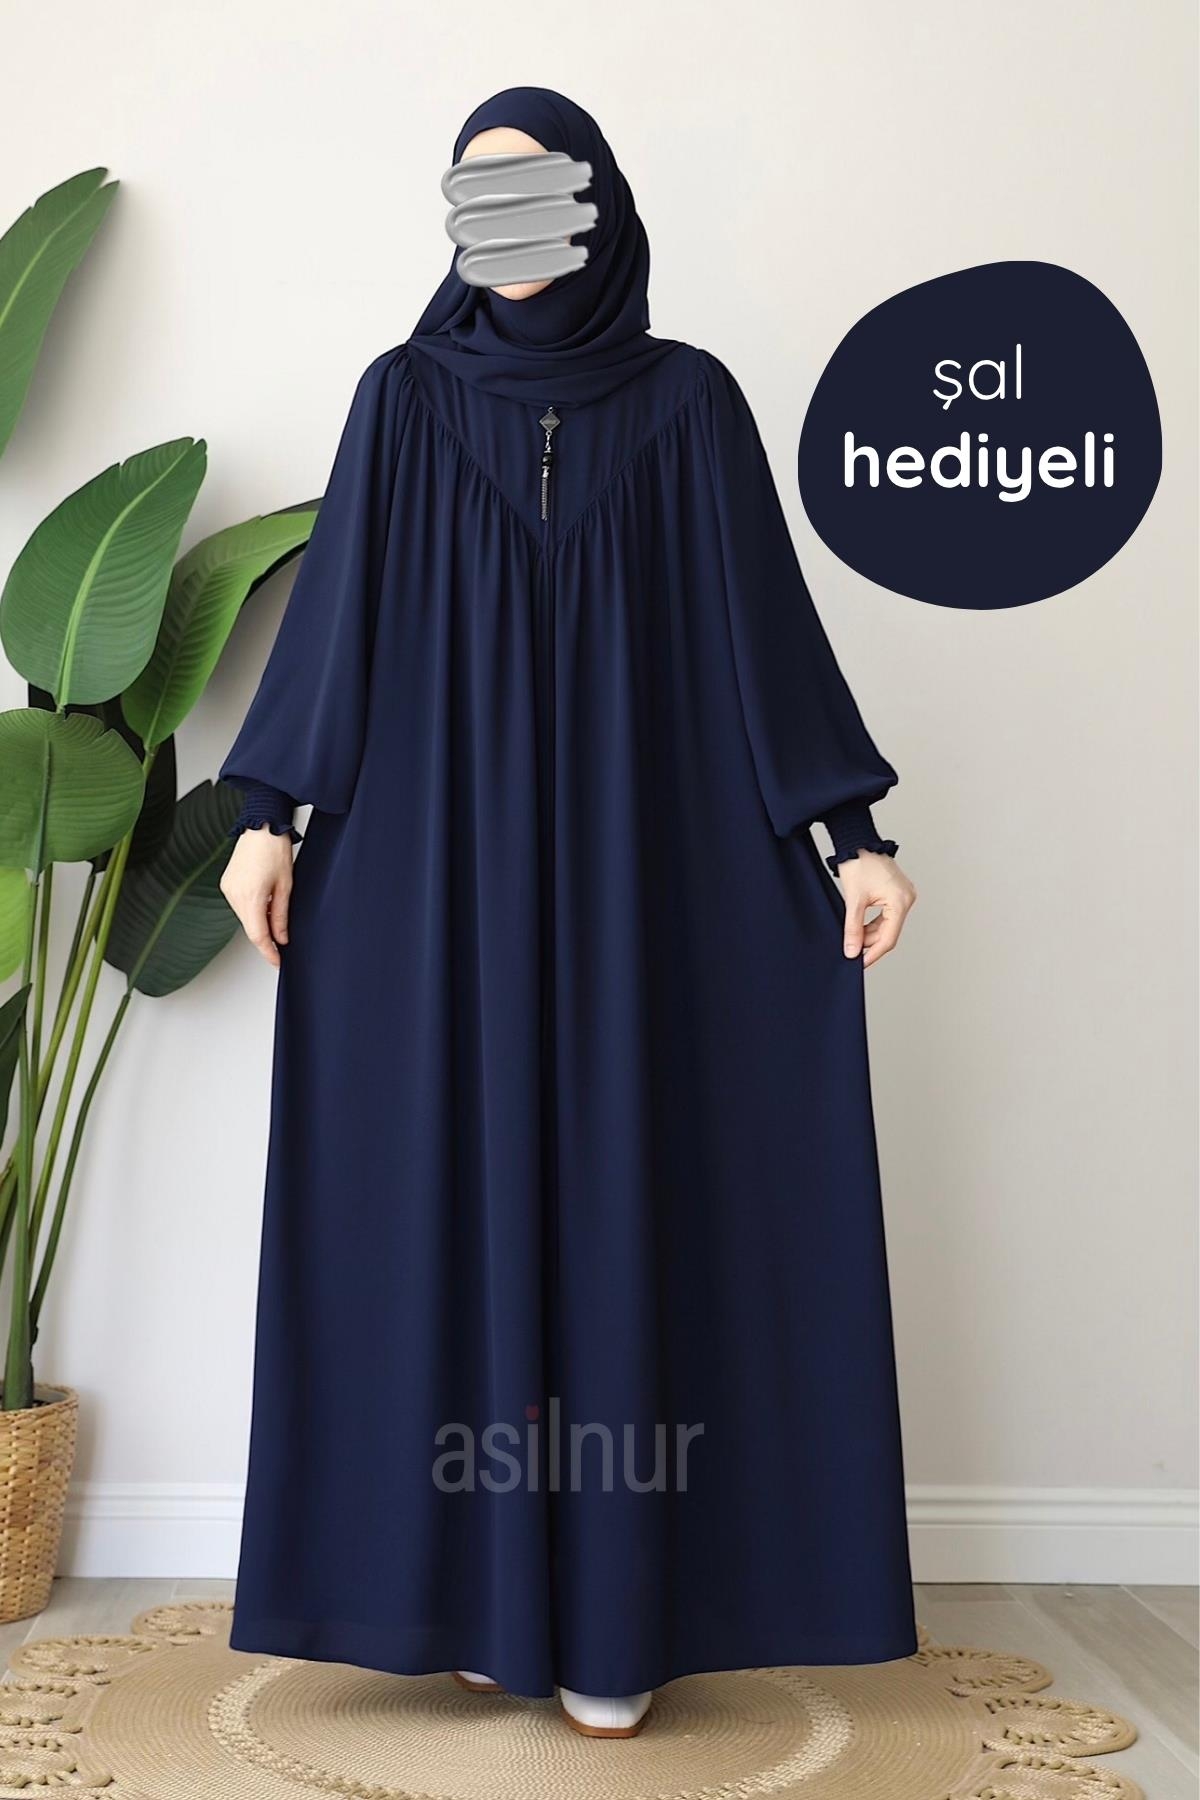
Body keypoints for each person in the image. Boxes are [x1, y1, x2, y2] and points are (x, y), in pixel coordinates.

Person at [219, 86, 918, 1742]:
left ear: (600, 210)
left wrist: (850, 840)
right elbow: (338, 627)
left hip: (646, 876)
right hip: (433, 874)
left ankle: (615, 1619)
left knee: (633, 1196)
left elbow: (762, 642)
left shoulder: (691, 403)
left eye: (542, 193)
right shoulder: (403, 400)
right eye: (484, 198)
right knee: (442, 1204)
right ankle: (481, 1595)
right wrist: (265, 821)